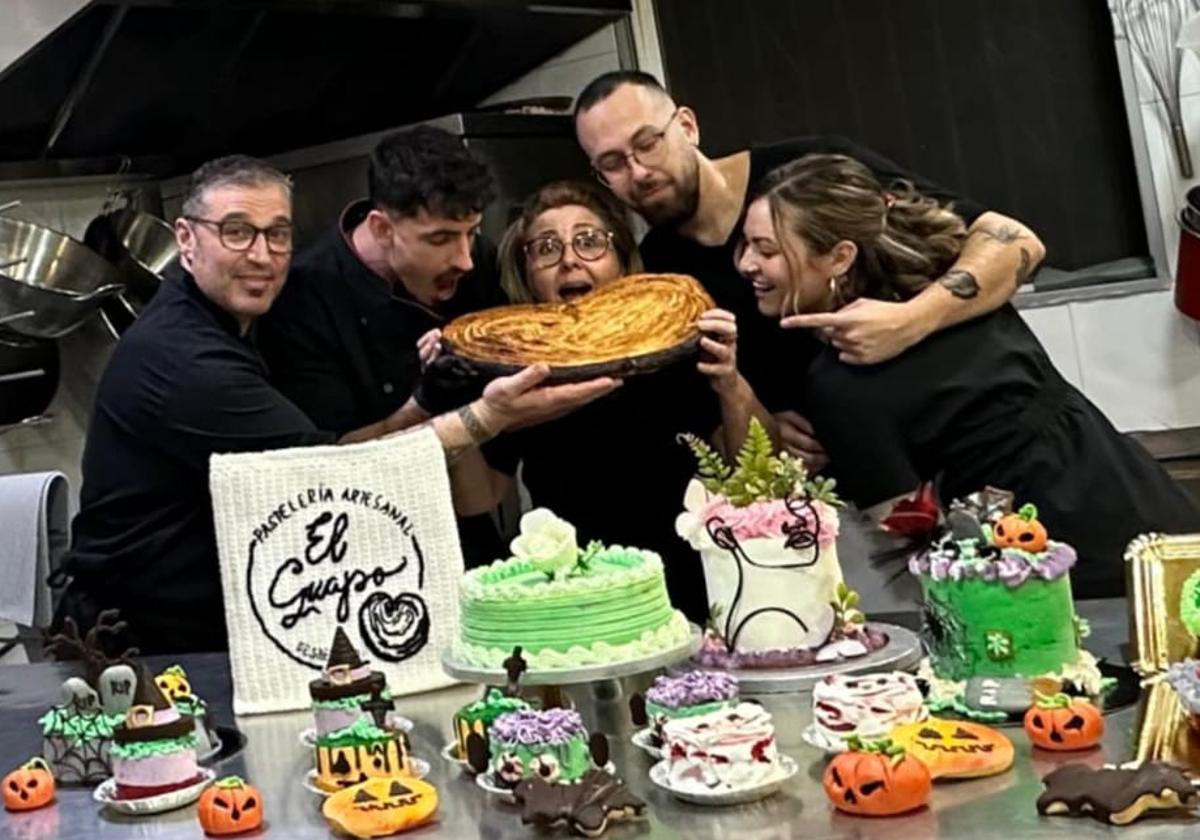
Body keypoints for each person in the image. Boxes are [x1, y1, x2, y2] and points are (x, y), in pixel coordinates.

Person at [52, 156, 619, 654]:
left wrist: (426, 401)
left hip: (203, 620)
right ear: (186, 238)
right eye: (237, 232)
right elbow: (335, 474)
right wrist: (489, 416)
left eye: (277, 234)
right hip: (137, 638)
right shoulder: (184, 359)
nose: (262, 255)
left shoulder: (234, 321)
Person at [724, 153, 1200, 598]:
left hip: (1063, 573)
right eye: (746, 245)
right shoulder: (950, 287)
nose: (747, 265)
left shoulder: (839, 387)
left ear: (840, 257)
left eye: (768, 250)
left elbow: (915, 548)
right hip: (1150, 510)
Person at [573, 70, 1043, 470]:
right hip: (851, 508)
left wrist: (912, 320)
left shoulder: (810, 170)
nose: (638, 172)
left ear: (688, 126)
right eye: (612, 163)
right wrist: (764, 424)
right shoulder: (657, 279)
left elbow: (1015, 241)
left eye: (648, 144)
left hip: (988, 448)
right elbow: (720, 438)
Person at [425, 180, 764, 620]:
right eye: (546, 248)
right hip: (576, 597)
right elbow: (479, 500)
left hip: (697, 586)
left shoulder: (679, 348)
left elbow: (755, 476)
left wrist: (730, 383)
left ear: (622, 262)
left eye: (589, 242)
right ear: (527, 274)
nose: (569, 260)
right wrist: (453, 401)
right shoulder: (518, 373)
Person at [256, 126, 508, 565]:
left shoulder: (477, 265)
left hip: (468, 528)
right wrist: (427, 402)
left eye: (471, 232)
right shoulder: (302, 300)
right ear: (382, 228)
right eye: (441, 238)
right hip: (361, 547)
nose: (465, 258)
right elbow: (328, 462)